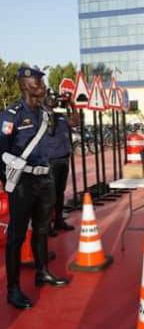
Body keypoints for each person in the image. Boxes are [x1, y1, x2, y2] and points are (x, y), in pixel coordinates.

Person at [0, 67, 69, 310]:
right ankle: (13, 289)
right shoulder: (12, 115)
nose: (41, 84)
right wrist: (8, 182)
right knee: (16, 237)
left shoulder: (45, 113)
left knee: (42, 229)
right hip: (22, 183)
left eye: (41, 80)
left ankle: (42, 272)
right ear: (25, 84)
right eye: (37, 80)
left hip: (44, 178)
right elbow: (1, 151)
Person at [45, 89, 75, 236]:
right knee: (49, 195)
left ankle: (58, 220)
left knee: (59, 193)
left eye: (54, 99)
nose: (54, 101)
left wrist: (72, 105)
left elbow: (75, 122)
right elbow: (49, 130)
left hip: (64, 159)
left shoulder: (60, 116)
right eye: (50, 99)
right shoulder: (43, 116)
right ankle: (47, 225)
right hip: (51, 160)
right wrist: (48, 109)